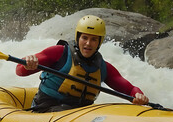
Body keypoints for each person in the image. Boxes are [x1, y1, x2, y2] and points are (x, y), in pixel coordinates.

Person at [16, 15, 149, 112]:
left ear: (99, 42)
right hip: (46, 108)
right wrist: (28, 64)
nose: (88, 43)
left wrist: (138, 95)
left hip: (79, 113)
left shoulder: (103, 67)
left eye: (93, 39)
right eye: (84, 37)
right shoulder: (59, 53)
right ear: (78, 37)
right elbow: (20, 70)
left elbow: (129, 89)